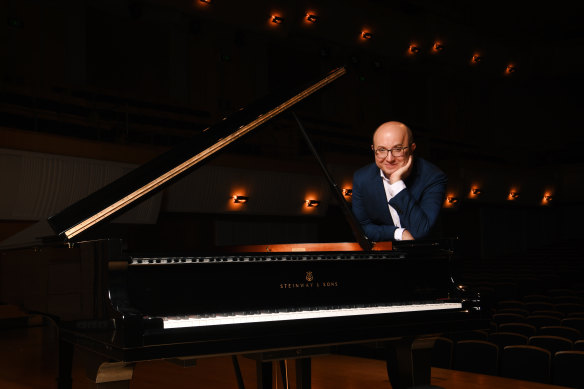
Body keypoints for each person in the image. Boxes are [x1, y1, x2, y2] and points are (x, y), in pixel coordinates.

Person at [352, 121, 447, 241]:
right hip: (384, 255)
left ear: (412, 148)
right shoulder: (362, 178)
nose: (390, 158)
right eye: (381, 150)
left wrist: (396, 182)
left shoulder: (433, 177)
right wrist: (398, 233)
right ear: (373, 149)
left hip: (426, 255)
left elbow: (421, 230)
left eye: (398, 149)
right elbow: (361, 228)